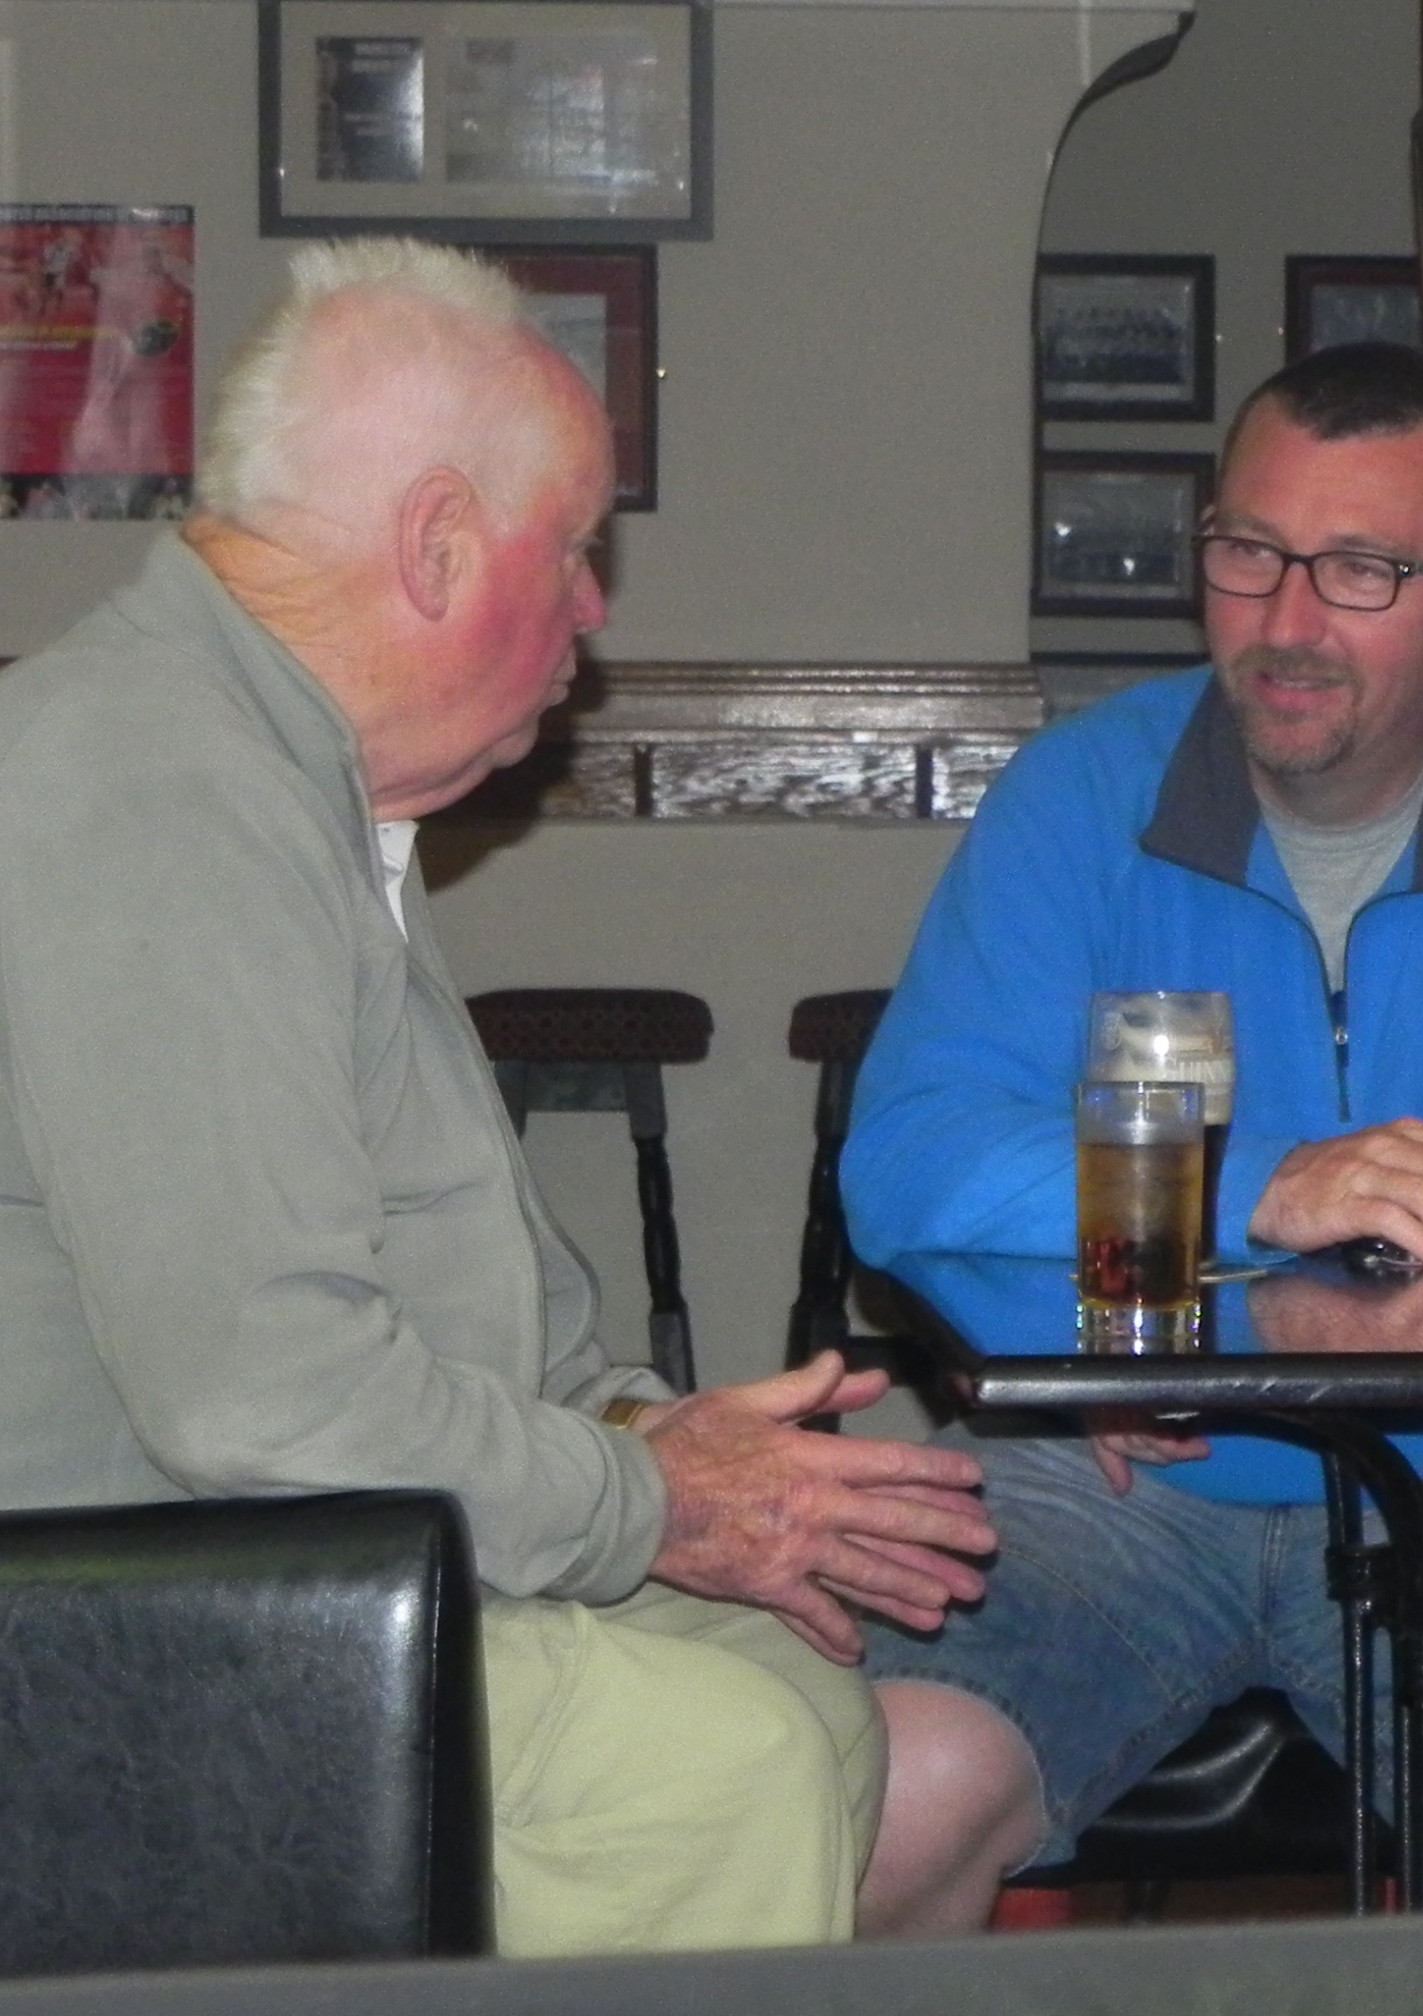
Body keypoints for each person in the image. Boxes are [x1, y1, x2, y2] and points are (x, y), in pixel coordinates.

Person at [0, 239, 999, 1954]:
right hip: (122, 1612)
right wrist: (655, 1501)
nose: (596, 609)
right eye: (578, 546)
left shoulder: (287, 780)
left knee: (798, 1682)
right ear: (440, 542)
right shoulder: (159, 792)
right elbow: (262, 1398)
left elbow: (478, 1328)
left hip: (277, 1554)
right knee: (711, 1770)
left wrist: (653, 1444)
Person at [843, 341, 1423, 1933]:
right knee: (887, 1800)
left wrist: (1236, 1276)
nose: (1288, 621)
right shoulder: (1080, 794)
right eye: (1250, 552)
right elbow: (910, 1160)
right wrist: (1235, 1216)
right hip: (1107, 1480)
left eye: (1363, 569)